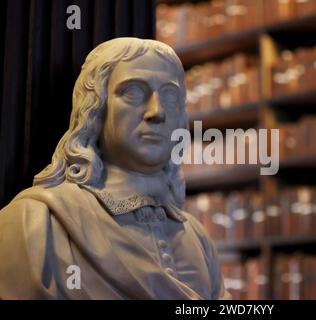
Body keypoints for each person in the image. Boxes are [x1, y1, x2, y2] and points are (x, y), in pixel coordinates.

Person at [0, 38, 230, 300]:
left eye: (170, 95)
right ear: (95, 107)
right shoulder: (37, 223)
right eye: (133, 92)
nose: (157, 112)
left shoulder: (197, 239)